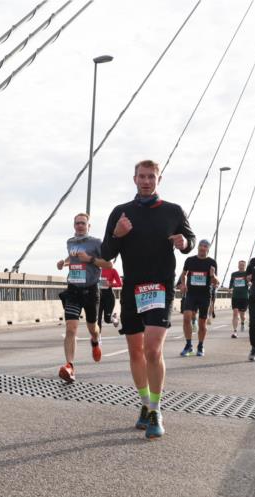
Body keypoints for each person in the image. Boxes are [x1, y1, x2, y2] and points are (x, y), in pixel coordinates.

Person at [101, 159, 195, 439]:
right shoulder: (121, 212)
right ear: (134, 179)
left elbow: (190, 239)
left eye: (151, 177)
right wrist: (118, 235)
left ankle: (155, 410)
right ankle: (143, 403)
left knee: (153, 349)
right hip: (132, 288)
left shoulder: (173, 211)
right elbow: (106, 254)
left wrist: (184, 243)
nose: (146, 181)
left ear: (159, 179)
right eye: (141, 176)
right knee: (135, 352)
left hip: (160, 287)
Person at [56, 213, 112, 383]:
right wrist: (63, 263)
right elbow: (72, 257)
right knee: (71, 328)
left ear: (89, 226)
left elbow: (108, 264)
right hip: (73, 289)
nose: (80, 226)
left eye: (83, 223)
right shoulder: (70, 242)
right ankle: (70, 366)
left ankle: (95, 340)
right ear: (74, 226)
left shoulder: (96, 242)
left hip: (91, 290)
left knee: (92, 328)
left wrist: (90, 259)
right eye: (77, 223)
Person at [179, 239, 218, 357]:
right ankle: (188, 346)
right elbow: (183, 274)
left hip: (204, 296)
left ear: (208, 249)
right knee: (186, 318)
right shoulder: (190, 260)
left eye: (205, 246)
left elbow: (216, 282)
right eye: (201, 245)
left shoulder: (212, 262)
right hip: (191, 294)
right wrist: (183, 284)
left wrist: (212, 275)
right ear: (198, 247)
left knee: (202, 324)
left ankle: (200, 346)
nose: (202, 248)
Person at [98, 263, 122, 331]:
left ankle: (114, 318)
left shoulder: (113, 270)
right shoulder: (98, 270)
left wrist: (110, 284)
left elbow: (119, 283)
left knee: (107, 320)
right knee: (98, 319)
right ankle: (97, 339)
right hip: (99, 297)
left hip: (109, 297)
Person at [228, 260, 249, 338]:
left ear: (245, 266)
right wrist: (230, 288)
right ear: (238, 265)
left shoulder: (247, 274)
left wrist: (249, 282)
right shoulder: (234, 274)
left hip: (244, 297)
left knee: (242, 315)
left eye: (243, 265)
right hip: (235, 296)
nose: (241, 266)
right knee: (235, 313)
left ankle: (243, 322)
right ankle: (235, 331)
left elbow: (251, 282)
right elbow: (231, 283)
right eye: (240, 265)